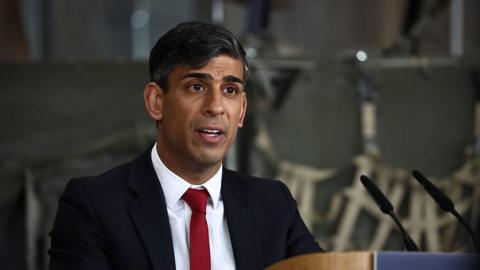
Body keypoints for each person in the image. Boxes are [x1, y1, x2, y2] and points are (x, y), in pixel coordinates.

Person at [48, 21, 322, 270]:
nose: (215, 107)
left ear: (241, 111)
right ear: (156, 101)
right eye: (196, 87)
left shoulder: (273, 204)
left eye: (230, 90)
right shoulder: (94, 205)